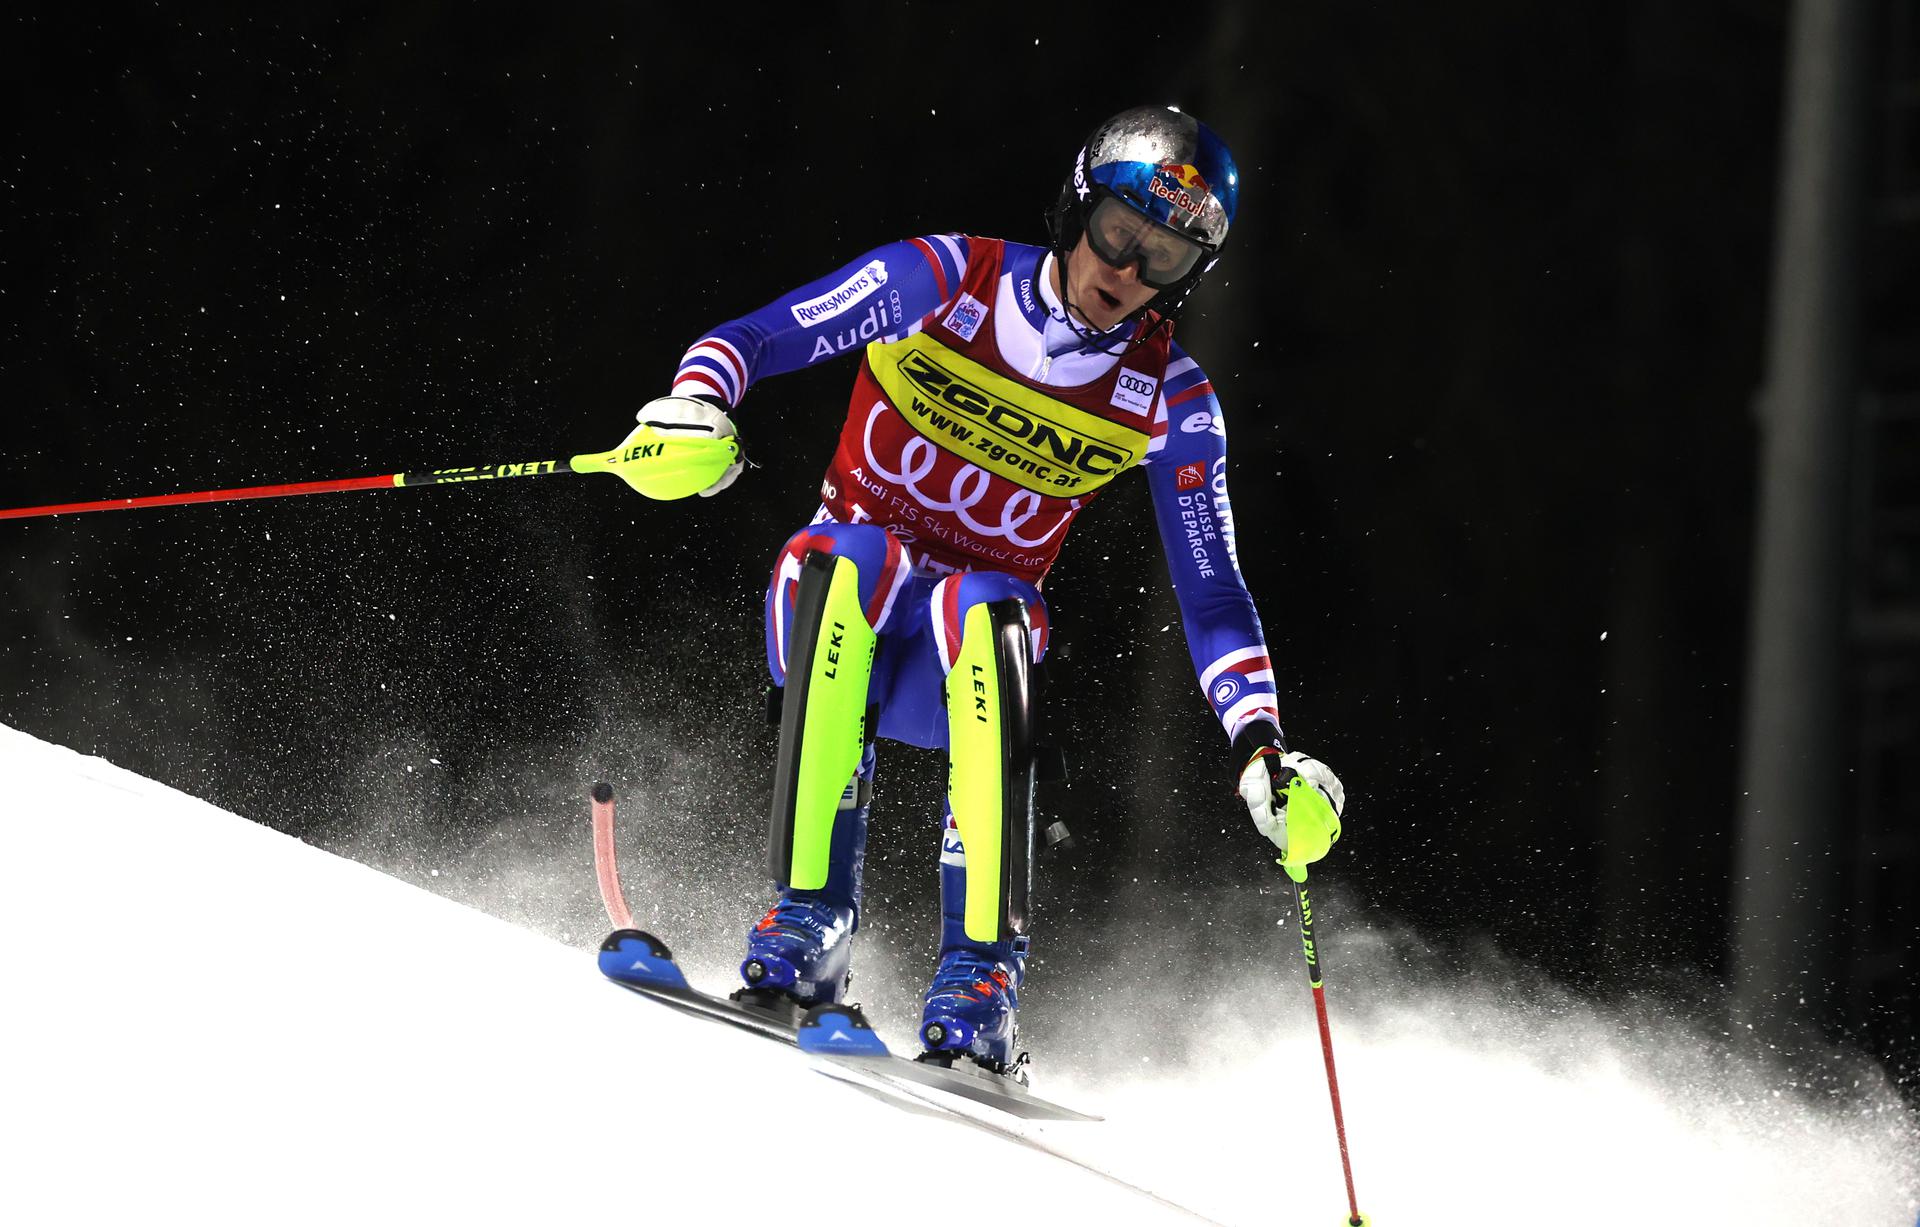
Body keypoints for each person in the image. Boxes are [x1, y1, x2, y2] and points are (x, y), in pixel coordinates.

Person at [617, 105, 1346, 1079]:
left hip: (965, 672)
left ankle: (982, 978)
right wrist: (696, 408)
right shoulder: (950, 280)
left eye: (1161, 259)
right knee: (846, 558)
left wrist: (1262, 749)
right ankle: (811, 916)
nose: (1124, 274)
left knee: (992, 606)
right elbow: (755, 338)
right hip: (841, 632)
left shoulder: (1169, 396)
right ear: (1077, 209)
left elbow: (1212, 592)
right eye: (1119, 236)